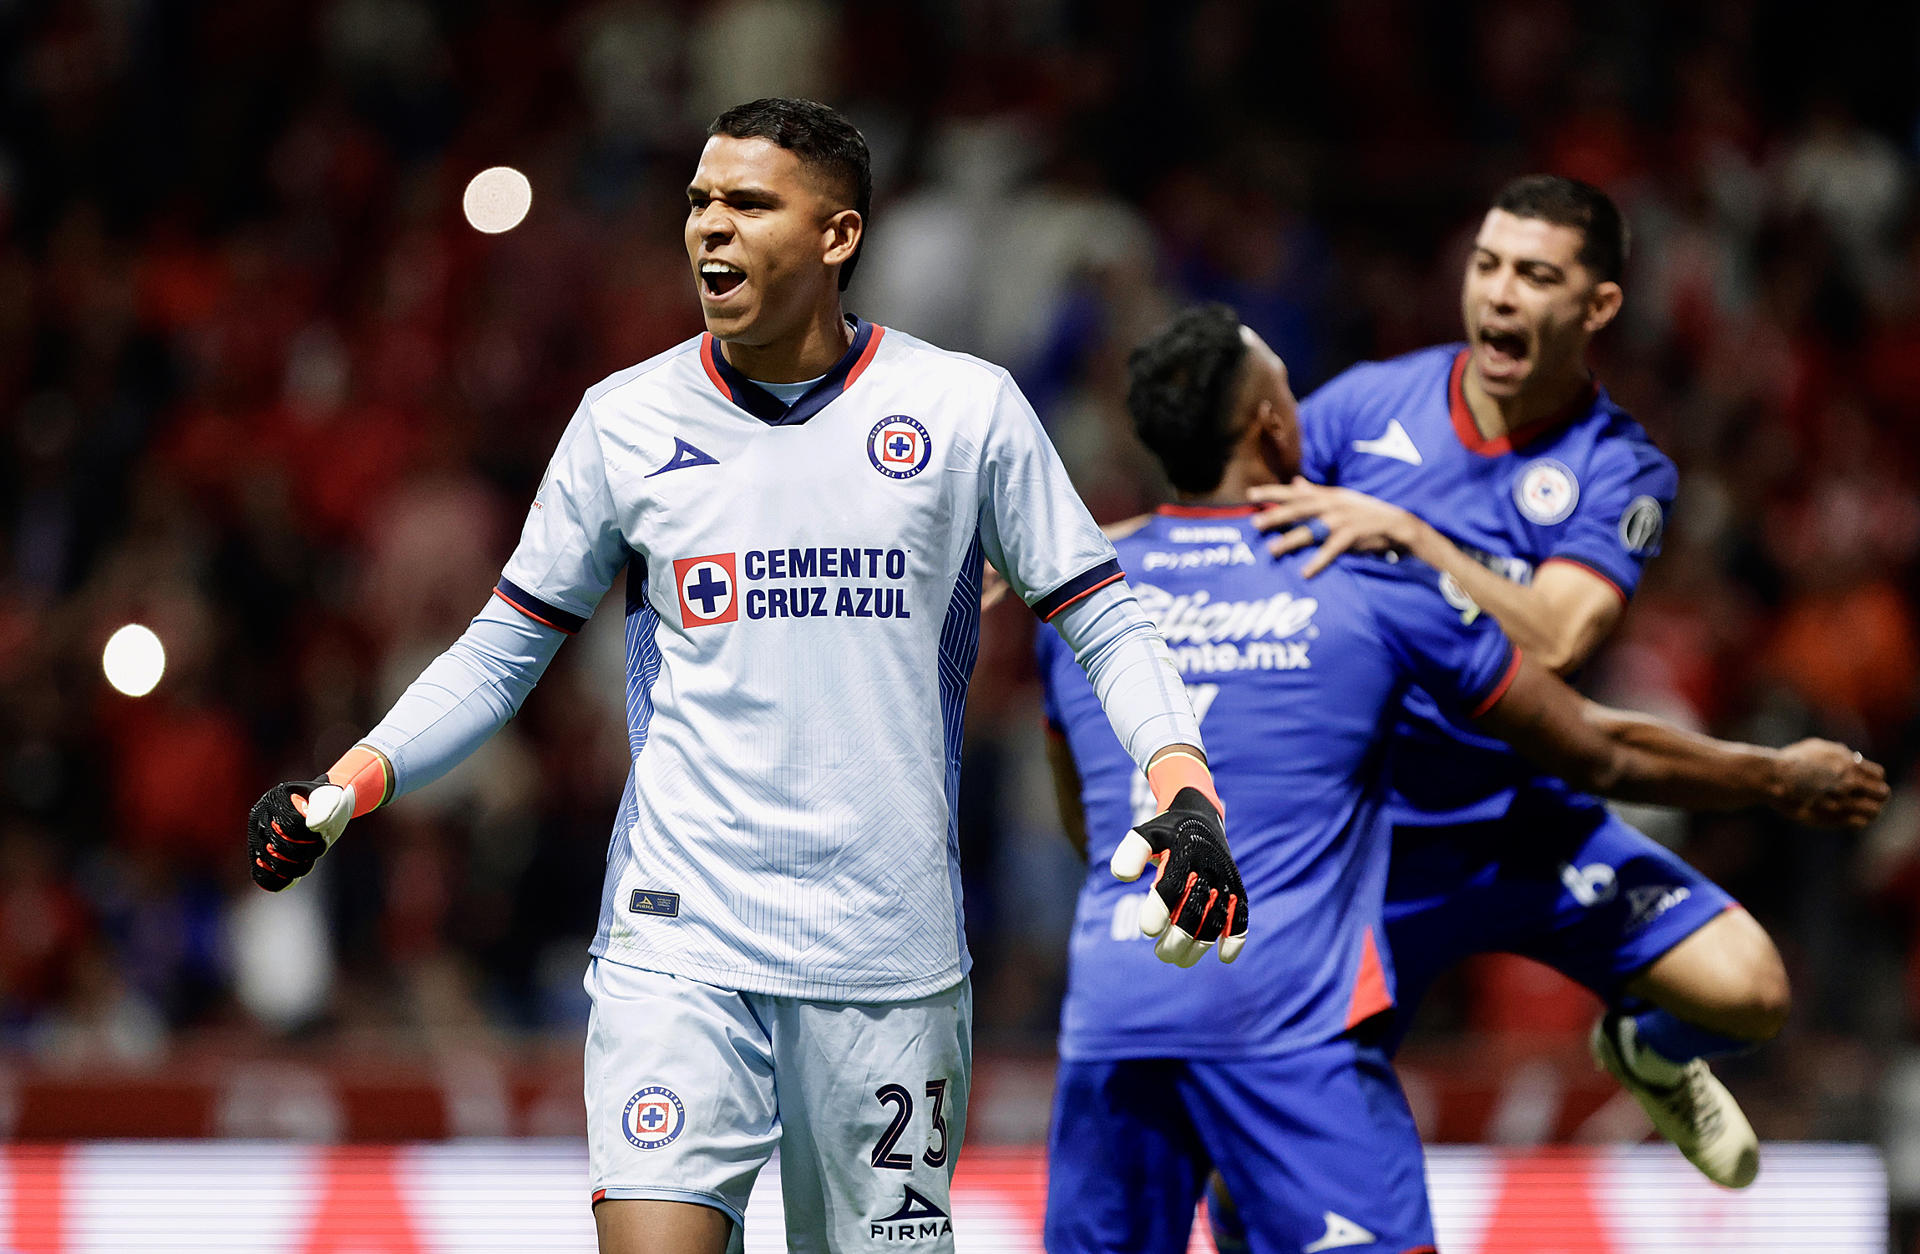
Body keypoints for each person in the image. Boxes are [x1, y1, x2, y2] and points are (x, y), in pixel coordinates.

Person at [243, 98, 1248, 1254]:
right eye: (700, 204)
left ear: (838, 237)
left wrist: (1185, 789)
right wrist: (350, 783)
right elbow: (502, 650)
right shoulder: (623, 423)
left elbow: (1107, 619)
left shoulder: (965, 411)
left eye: (749, 205)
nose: (710, 231)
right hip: (682, 940)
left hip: (889, 959)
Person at [1037, 303, 1887, 1254]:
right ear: (1276, 425)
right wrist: (1772, 777)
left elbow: (1091, 827)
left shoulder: (1087, 596)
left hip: (1117, 1006)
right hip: (1288, 1020)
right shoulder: (1360, 575)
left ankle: (1643, 1052)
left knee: (1742, 985)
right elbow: (1593, 747)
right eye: (1286, 383)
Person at [1245, 174, 1785, 1189]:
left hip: (1533, 824)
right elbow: (1227, 517)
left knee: (1750, 990)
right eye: (1487, 265)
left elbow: (1562, 636)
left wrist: (1410, 533)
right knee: (1262, 1169)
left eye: (1536, 276)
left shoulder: (1621, 467)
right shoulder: (1365, 406)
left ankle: (1647, 1052)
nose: (1498, 294)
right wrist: (1082, 549)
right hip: (1370, 845)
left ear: (1598, 307)